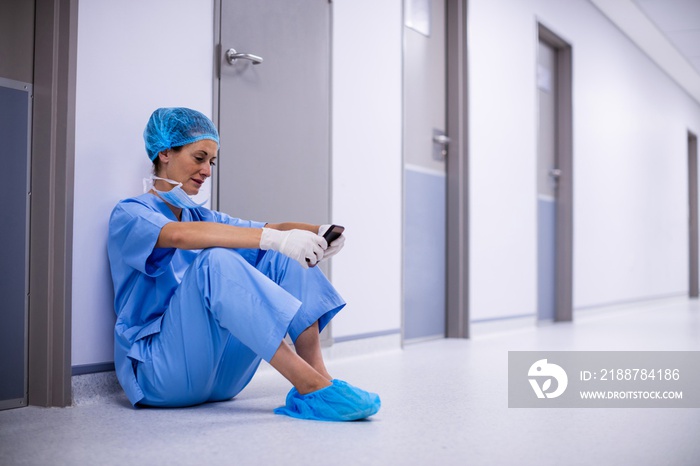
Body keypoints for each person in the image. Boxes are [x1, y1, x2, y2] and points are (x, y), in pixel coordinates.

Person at [107, 107, 380, 421]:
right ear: (165, 153)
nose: (208, 171)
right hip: (159, 374)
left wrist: (315, 232)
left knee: (279, 254)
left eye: (212, 162)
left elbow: (273, 229)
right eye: (199, 158)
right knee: (216, 259)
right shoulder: (130, 213)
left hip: (223, 380)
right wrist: (270, 239)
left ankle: (320, 379)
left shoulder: (201, 216)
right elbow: (180, 235)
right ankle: (308, 385)